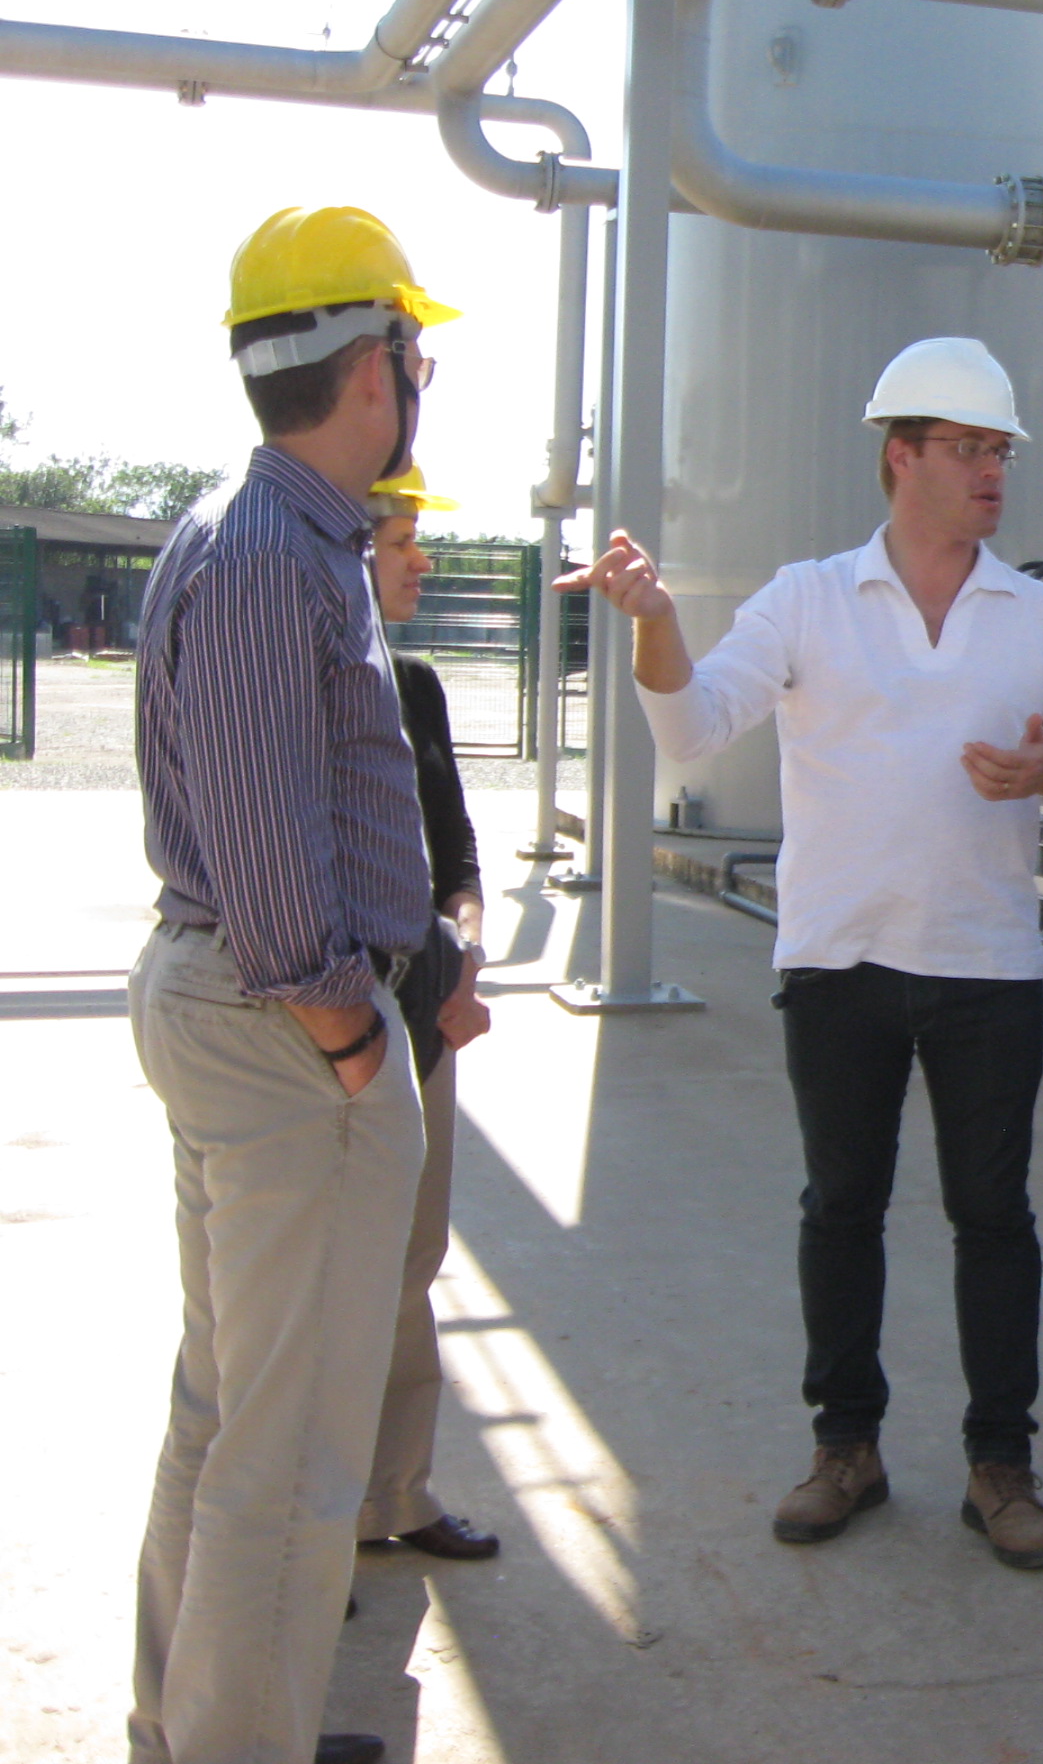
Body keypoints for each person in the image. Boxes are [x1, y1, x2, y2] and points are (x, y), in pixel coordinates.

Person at [557, 336, 1043, 1574]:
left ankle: (1001, 1465)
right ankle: (847, 1448)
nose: (994, 471)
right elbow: (698, 718)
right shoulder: (808, 598)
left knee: (994, 1219)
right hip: (839, 964)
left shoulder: (1042, 620)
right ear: (901, 457)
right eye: (971, 449)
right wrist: (658, 622)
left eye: (1002, 451)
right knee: (841, 1209)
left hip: (987, 968)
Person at [127, 206, 452, 1764]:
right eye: (415, 347)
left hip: (241, 1023)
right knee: (294, 1455)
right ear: (371, 364)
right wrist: (347, 1041)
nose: (423, 372)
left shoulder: (254, 534)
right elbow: (270, 874)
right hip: (281, 1033)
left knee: (225, 1416)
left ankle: (193, 1726)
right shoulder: (272, 557)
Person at [355, 462, 500, 1566]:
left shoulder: (417, 686)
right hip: (330, 1033)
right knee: (313, 1287)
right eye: (404, 538)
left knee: (411, 1261)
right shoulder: (301, 677)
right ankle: (309, 1537)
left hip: (423, 1020)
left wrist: (465, 949)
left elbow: (456, 849)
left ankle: (395, 1494)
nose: (424, 557)